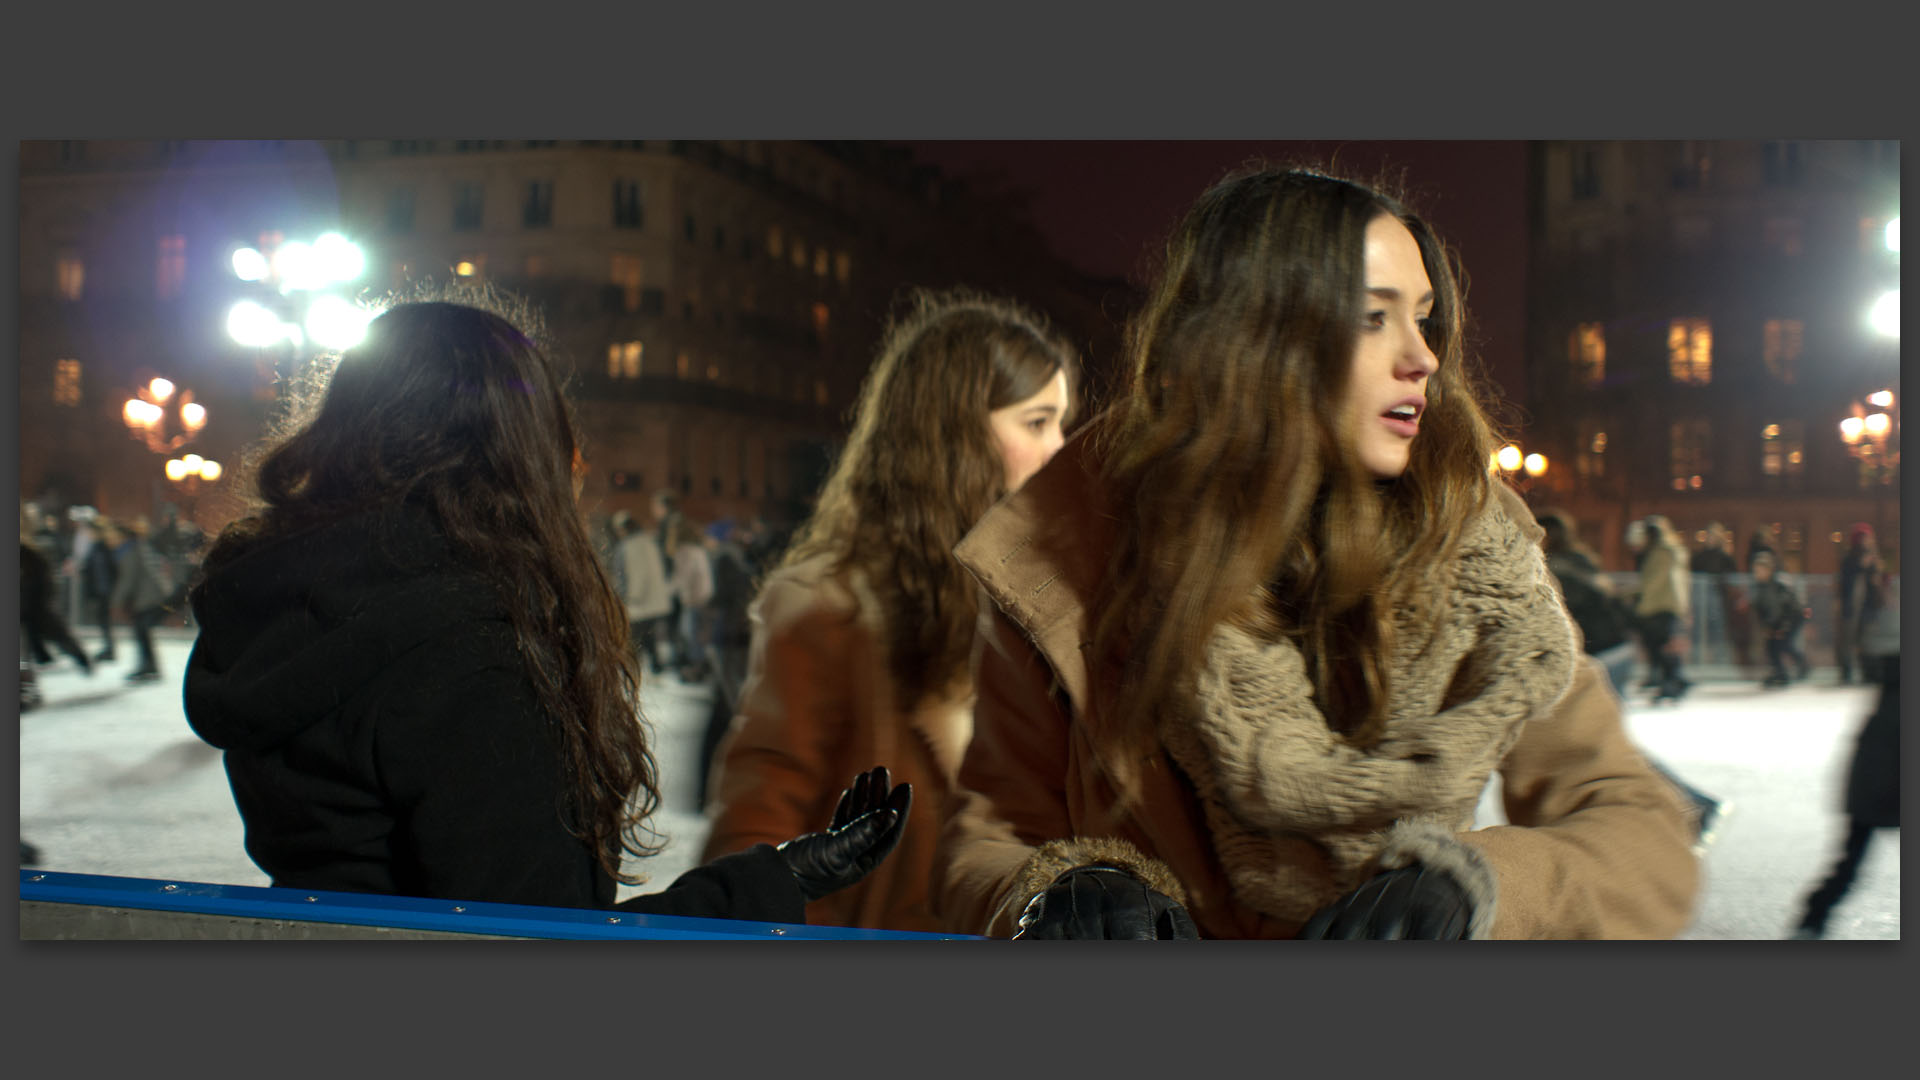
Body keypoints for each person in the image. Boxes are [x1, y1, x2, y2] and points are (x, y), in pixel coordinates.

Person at [936, 167, 1699, 940]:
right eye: (1373, 318)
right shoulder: (1070, 546)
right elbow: (989, 837)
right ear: (1251, 339)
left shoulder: (1473, 548)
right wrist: (1058, 891)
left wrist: (1479, 889)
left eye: (1425, 319)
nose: (1423, 358)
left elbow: (1640, 830)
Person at [182, 290, 910, 921]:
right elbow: (544, 941)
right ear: (518, 452)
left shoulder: (283, 604)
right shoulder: (464, 648)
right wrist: (777, 879)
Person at [702, 289, 1076, 934]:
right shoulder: (832, 606)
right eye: (1037, 422)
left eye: (1063, 423)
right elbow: (758, 832)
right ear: (956, 429)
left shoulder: (1049, 603)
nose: (1061, 448)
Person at [1538, 509, 1727, 854]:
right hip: (1609, 653)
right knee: (1602, 742)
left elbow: (1564, 620)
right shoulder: (1578, 561)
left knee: (1605, 744)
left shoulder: (1556, 568)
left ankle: (1691, 804)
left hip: (1600, 657)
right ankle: (1687, 804)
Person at [1790, 583, 1898, 938]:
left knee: (1849, 863)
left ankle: (1811, 920)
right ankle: (1810, 921)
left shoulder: (1891, 681)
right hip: (1883, 778)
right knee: (1850, 863)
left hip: (1875, 777)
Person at [1636, 514, 1693, 703]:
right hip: (1670, 605)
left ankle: (1672, 682)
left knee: (1662, 645)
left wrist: (1640, 599)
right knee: (1666, 644)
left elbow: (1654, 582)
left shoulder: (1661, 553)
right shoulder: (1673, 551)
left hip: (1659, 605)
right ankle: (1675, 680)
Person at [110, 516, 173, 683]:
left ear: (122, 536)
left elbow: (128, 579)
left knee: (141, 631)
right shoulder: (135, 548)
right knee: (142, 631)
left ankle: (148, 666)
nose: (111, 538)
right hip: (148, 595)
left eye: (114, 536)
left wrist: (116, 602)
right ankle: (149, 666)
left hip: (148, 596)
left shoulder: (129, 551)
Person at [616, 509, 673, 675]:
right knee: (648, 636)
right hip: (654, 600)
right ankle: (655, 666)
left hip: (640, 602)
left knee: (635, 637)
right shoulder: (649, 541)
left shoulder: (630, 546)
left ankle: (634, 667)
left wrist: (633, 596)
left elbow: (637, 573)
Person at [1834, 523, 1886, 685]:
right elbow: (1844, 581)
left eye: (1867, 538)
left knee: (1867, 640)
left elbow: (1880, 580)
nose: (1864, 541)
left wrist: (1875, 572)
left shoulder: (1874, 557)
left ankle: (1868, 672)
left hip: (1869, 606)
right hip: (1851, 605)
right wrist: (1860, 566)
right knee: (1847, 640)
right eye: (1861, 538)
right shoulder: (1849, 558)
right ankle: (1846, 672)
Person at [1749, 551, 1810, 688]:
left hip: (1791, 618)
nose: (1757, 574)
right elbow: (1761, 609)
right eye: (1755, 571)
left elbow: (1780, 608)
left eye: (1760, 570)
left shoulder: (1777, 584)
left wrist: (1776, 628)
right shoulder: (1761, 586)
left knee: (1779, 644)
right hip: (1781, 620)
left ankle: (1789, 670)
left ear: (1769, 570)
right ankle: (1782, 671)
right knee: (1775, 645)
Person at [667, 515, 715, 682]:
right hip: (704, 596)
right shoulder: (698, 550)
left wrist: (666, 591)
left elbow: (682, 578)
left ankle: (696, 670)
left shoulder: (684, 551)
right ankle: (701, 667)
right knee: (698, 634)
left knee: (690, 634)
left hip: (693, 598)